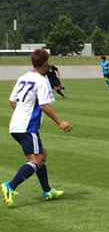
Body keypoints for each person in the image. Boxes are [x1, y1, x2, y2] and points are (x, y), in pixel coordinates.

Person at [2, 49, 73, 208]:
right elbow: (43, 105)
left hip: (16, 125)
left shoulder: (23, 78)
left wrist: (21, 114)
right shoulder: (42, 81)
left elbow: (12, 101)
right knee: (35, 161)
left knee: (42, 153)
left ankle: (47, 190)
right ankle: (10, 186)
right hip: (27, 127)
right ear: (46, 64)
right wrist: (59, 122)